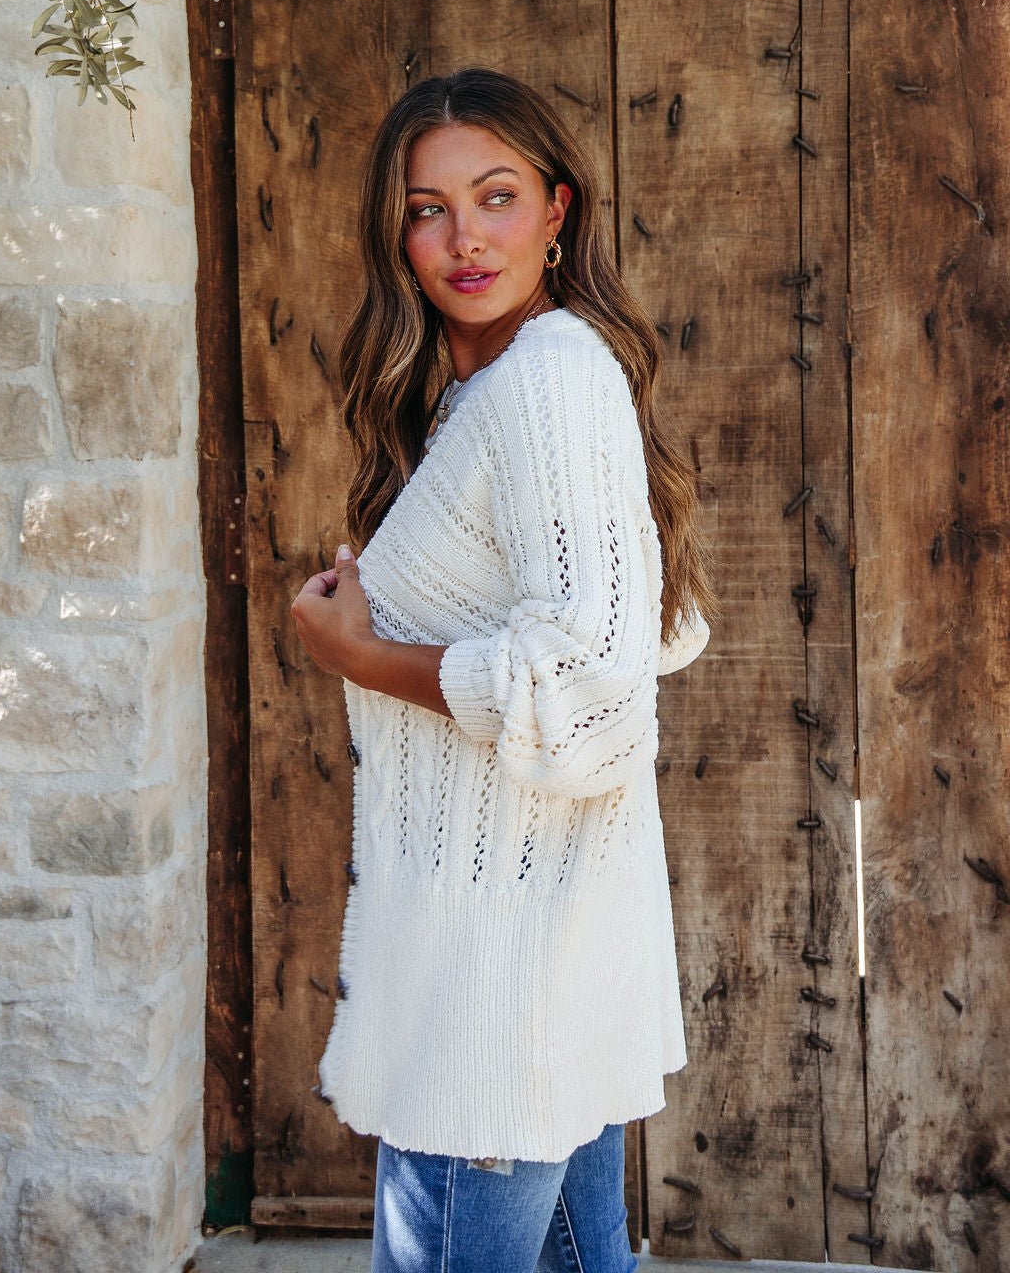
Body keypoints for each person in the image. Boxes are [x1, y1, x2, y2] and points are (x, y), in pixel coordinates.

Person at [290, 68, 716, 1273]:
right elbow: (653, 628)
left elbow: (587, 689)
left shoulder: (547, 382)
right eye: (429, 209)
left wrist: (359, 651)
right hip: (530, 947)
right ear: (397, 233)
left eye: (496, 196)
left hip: (497, 983)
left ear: (557, 211)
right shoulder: (488, 389)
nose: (464, 236)